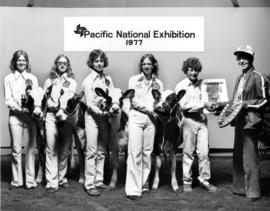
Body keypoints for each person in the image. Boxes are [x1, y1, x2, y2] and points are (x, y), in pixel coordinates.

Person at [229, 45, 267, 201]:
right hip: (238, 121)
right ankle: (239, 188)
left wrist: (246, 104)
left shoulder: (257, 76)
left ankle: (253, 192)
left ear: (251, 58)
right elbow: (234, 102)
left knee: (249, 158)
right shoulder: (239, 78)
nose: (241, 60)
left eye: (244, 57)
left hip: (251, 122)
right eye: (239, 58)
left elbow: (263, 100)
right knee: (237, 156)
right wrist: (218, 106)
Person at [175, 57, 217, 193]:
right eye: (191, 70)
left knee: (204, 153)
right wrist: (203, 104)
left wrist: (212, 105)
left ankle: (204, 180)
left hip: (202, 120)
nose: (193, 73)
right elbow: (185, 106)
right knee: (188, 152)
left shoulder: (203, 85)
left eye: (196, 70)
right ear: (186, 70)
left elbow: (208, 103)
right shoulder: (180, 86)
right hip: (188, 121)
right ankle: (187, 181)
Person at [125, 53, 163, 200]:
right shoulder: (134, 80)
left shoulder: (158, 83)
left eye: (149, 64)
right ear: (141, 66)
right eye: (144, 64)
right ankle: (133, 190)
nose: (146, 66)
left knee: (147, 153)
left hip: (151, 121)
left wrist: (155, 110)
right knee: (135, 152)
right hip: (137, 117)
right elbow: (133, 100)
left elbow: (158, 101)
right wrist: (149, 110)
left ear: (154, 65)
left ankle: (143, 184)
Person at [4, 50, 38, 189]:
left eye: (24, 60)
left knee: (30, 149)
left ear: (27, 62)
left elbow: (36, 97)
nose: (21, 62)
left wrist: (34, 107)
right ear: (14, 62)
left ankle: (30, 182)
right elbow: (8, 99)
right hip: (15, 117)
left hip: (30, 118)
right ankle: (16, 181)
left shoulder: (33, 78)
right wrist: (19, 108)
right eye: (19, 60)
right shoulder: (9, 78)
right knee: (16, 150)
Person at [44, 54, 77, 193]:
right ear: (56, 64)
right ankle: (52, 183)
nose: (62, 65)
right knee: (51, 147)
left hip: (66, 117)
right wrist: (53, 107)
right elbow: (45, 99)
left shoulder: (72, 82)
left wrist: (63, 110)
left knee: (64, 149)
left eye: (65, 63)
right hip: (51, 116)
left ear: (68, 65)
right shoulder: (49, 81)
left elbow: (71, 100)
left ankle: (61, 178)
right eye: (59, 63)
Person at [82, 49, 113, 197]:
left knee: (102, 151)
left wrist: (111, 110)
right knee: (92, 151)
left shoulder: (108, 79)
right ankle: (89, 184)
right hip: (92, 119)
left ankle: (99, 180)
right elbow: (89, 104)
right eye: (96, 61)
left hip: (105, 118)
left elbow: (111, 96)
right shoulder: (88, 81)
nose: (99, 63)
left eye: (101, 61)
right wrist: (102, 113)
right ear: (91, 63)